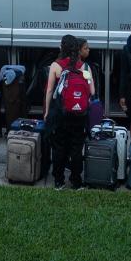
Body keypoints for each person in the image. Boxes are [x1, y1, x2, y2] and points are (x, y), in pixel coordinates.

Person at [43, 35, 95, 190]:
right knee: (76, 147)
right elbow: (92, 90)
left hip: (60, 113)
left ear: (62, 47)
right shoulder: (85, 67)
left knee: (59, 147)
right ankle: (76, 182)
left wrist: (47, 111)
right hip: (79, 114)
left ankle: (59, 181)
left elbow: (50, 90)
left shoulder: (55, 65)